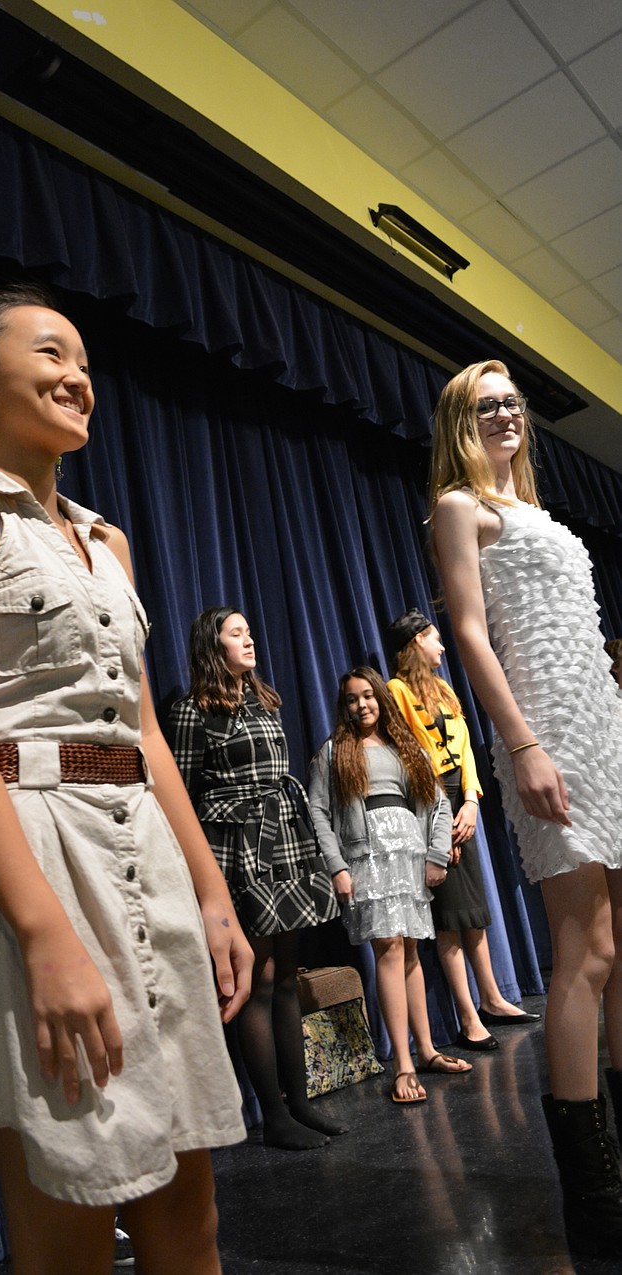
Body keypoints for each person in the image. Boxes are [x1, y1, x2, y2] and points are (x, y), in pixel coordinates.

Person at [0, 283, 253, 1275]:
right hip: (34, 855)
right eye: (51, 354)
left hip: (141, 848)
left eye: (86, 366)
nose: (77, 379)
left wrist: (213, 892)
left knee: (189, 1213)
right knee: (69, 1218)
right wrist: (44, 933)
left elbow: (140, 728)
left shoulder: (109, 543)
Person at [429, 358, 622, 1257]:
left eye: (513, 402)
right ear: (460, 421)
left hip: (603, 732)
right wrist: (522, 745)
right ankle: (596, 1192)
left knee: (621, 953)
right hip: (544, 733)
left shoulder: (541, 512)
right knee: (584, 953)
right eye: (485, 403)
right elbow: (469, 631)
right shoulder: (460, 507)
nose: (505, 413)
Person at [169, 607, 345, 1149]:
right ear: (212, 645)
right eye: (236, 633)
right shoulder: (192, 712)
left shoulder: (264, 701)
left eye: (250, 630)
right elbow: (181, 795)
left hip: (285, 841)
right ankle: (272, 1115)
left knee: (289, 977)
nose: (249, 640)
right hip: (239, 850)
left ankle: (301, 1103)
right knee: (261, 982)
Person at [308, 666, 472, 1105]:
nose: (362, 705)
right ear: (343, 707)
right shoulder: (332, 753)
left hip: (407, 853)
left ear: (380, 698)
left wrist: (436, 855)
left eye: (368, 696)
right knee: (389, 948)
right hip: (367, 857)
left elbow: (437, 804)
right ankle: (401, 1062)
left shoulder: (405, 747)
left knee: (412, 948)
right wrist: (337, 866)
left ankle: (426, 1050)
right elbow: (319, 813)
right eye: (352, 699)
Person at [385, 607, 541, 1050]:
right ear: (416, 642)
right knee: (450, 917)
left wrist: (471, 800)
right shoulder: (396, 691)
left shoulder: (444, 689)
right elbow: (410, 758)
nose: (441, 646)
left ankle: (492, 997)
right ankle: (468, 1017)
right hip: (430, 802)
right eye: (434, 638)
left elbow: (468, 750)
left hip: (460, 802)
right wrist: (437, 828)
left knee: (472, 909)